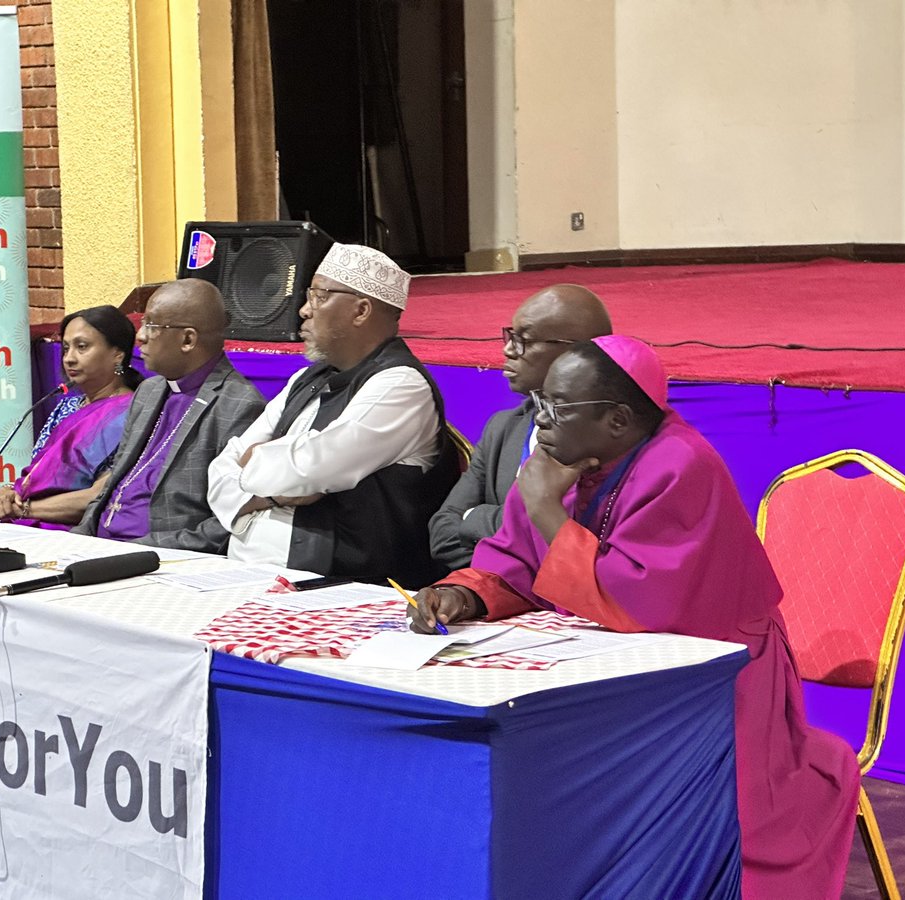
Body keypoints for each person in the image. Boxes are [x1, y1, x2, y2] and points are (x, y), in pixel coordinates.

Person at [409, 336, 860, 898]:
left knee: (679, 811)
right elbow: (516, 561)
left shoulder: (681, 464)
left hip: (719, 682)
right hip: (612, 660)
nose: (539, 421)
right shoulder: (561, 462)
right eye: (540, 403)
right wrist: (466, 595)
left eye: (556, 408)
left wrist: (546, 506)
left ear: (618, 420)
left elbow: (633, 601)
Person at [206, 243, 460, 586]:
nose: (303, 311)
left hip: (338, 585)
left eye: (319, 296)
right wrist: (274, 489)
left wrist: (258, 469)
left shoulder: (401, 386)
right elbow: (221, 468)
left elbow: (311, 467)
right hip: (243, 570)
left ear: (361, 311)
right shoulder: (306, 378)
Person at [73, 280, 265, 552]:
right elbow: (115, 484)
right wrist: (77, 538)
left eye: (151, 325)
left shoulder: (239, 405)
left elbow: (228, 520)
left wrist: (142, 552)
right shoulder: (149, 391)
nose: (140, 336)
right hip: (98, 546)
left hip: (159, 558)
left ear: (188, 339)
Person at [429, 284, 611, 570]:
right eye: (510, 336)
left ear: (576, 351)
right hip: (499, 597)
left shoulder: (607, 436)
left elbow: (589, 543)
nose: (508, 349)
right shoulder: (502, 429)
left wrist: (477, 519)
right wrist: (519, 552)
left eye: (523, 340)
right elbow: (442, 534)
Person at [0, 305, 139, 528]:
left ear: (118, 354)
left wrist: (22, 509)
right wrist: (7, 494)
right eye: (66, 348)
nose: (69, 358)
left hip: (73, 527)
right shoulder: (67, 407)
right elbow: (38, 476)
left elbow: (102, 496)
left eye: (82, 347)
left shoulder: (135, 412)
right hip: (26, 514)